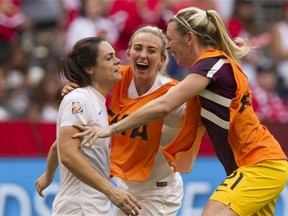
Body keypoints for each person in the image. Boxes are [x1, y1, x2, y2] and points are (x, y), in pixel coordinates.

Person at [74, 7, 288, 216]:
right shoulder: (209, 66)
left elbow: (164, 105)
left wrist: (111, 129)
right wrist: (75, 92)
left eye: (170, 38)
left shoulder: (211, 64)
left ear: (189, 38)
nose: (168, 46)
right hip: (254, 166)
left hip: (258, 163)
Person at [35, 26, 204, 216]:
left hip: (157, 190)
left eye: (152, 50)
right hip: (119, 188)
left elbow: (201, 111)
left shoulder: (173, 94)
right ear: (129, 52)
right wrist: (67, 92)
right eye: (138, 48)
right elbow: (66, 142)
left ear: (162, 60)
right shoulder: (115, 79)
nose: (143, 55)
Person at [35, 36, 141, 216]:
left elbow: (58, 146)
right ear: (90, 68)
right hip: (80, 207)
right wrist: (111, 191)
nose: (117, 61)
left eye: (115, 55)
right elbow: (68, 153)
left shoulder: (95, 101)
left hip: (94, 206)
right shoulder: (79, 100)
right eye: (108, 58)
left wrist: (49, 175)